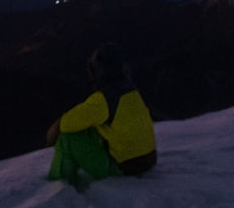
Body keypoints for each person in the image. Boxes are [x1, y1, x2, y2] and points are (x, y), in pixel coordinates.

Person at [46, 42, 157, 186]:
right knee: (94, 129)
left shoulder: (104, 98)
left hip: (125, 167)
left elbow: (67, 124)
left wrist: (55, 128)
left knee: (67, 138)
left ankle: (59, 184)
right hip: (147, 160)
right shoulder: (131, 91)